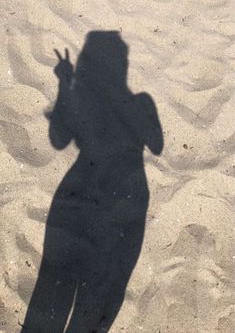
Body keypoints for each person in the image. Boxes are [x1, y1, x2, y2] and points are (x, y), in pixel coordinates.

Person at [22, 31, 163, 332]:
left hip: (82, 193)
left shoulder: (104, 98)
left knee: (56, 292)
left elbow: (59, 140)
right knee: (87, 295)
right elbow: (156, 145)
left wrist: (69, 84)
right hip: (118, 198)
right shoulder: (137, 102)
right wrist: (67, 85)